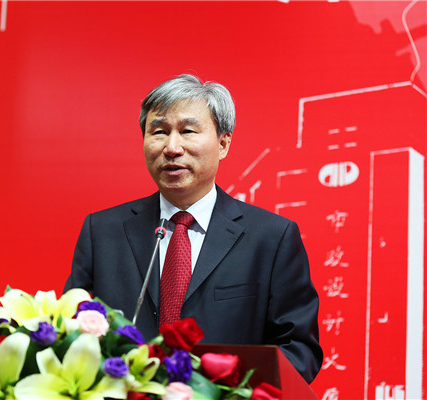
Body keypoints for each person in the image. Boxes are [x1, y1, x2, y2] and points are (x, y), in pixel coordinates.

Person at [64, 74, 323, 383]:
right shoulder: (103, 231)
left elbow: (299, 349)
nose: (172, 147)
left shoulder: (271, 238)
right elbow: (70, 330)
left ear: (223, 143)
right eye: (159, 132)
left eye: (187, 131)